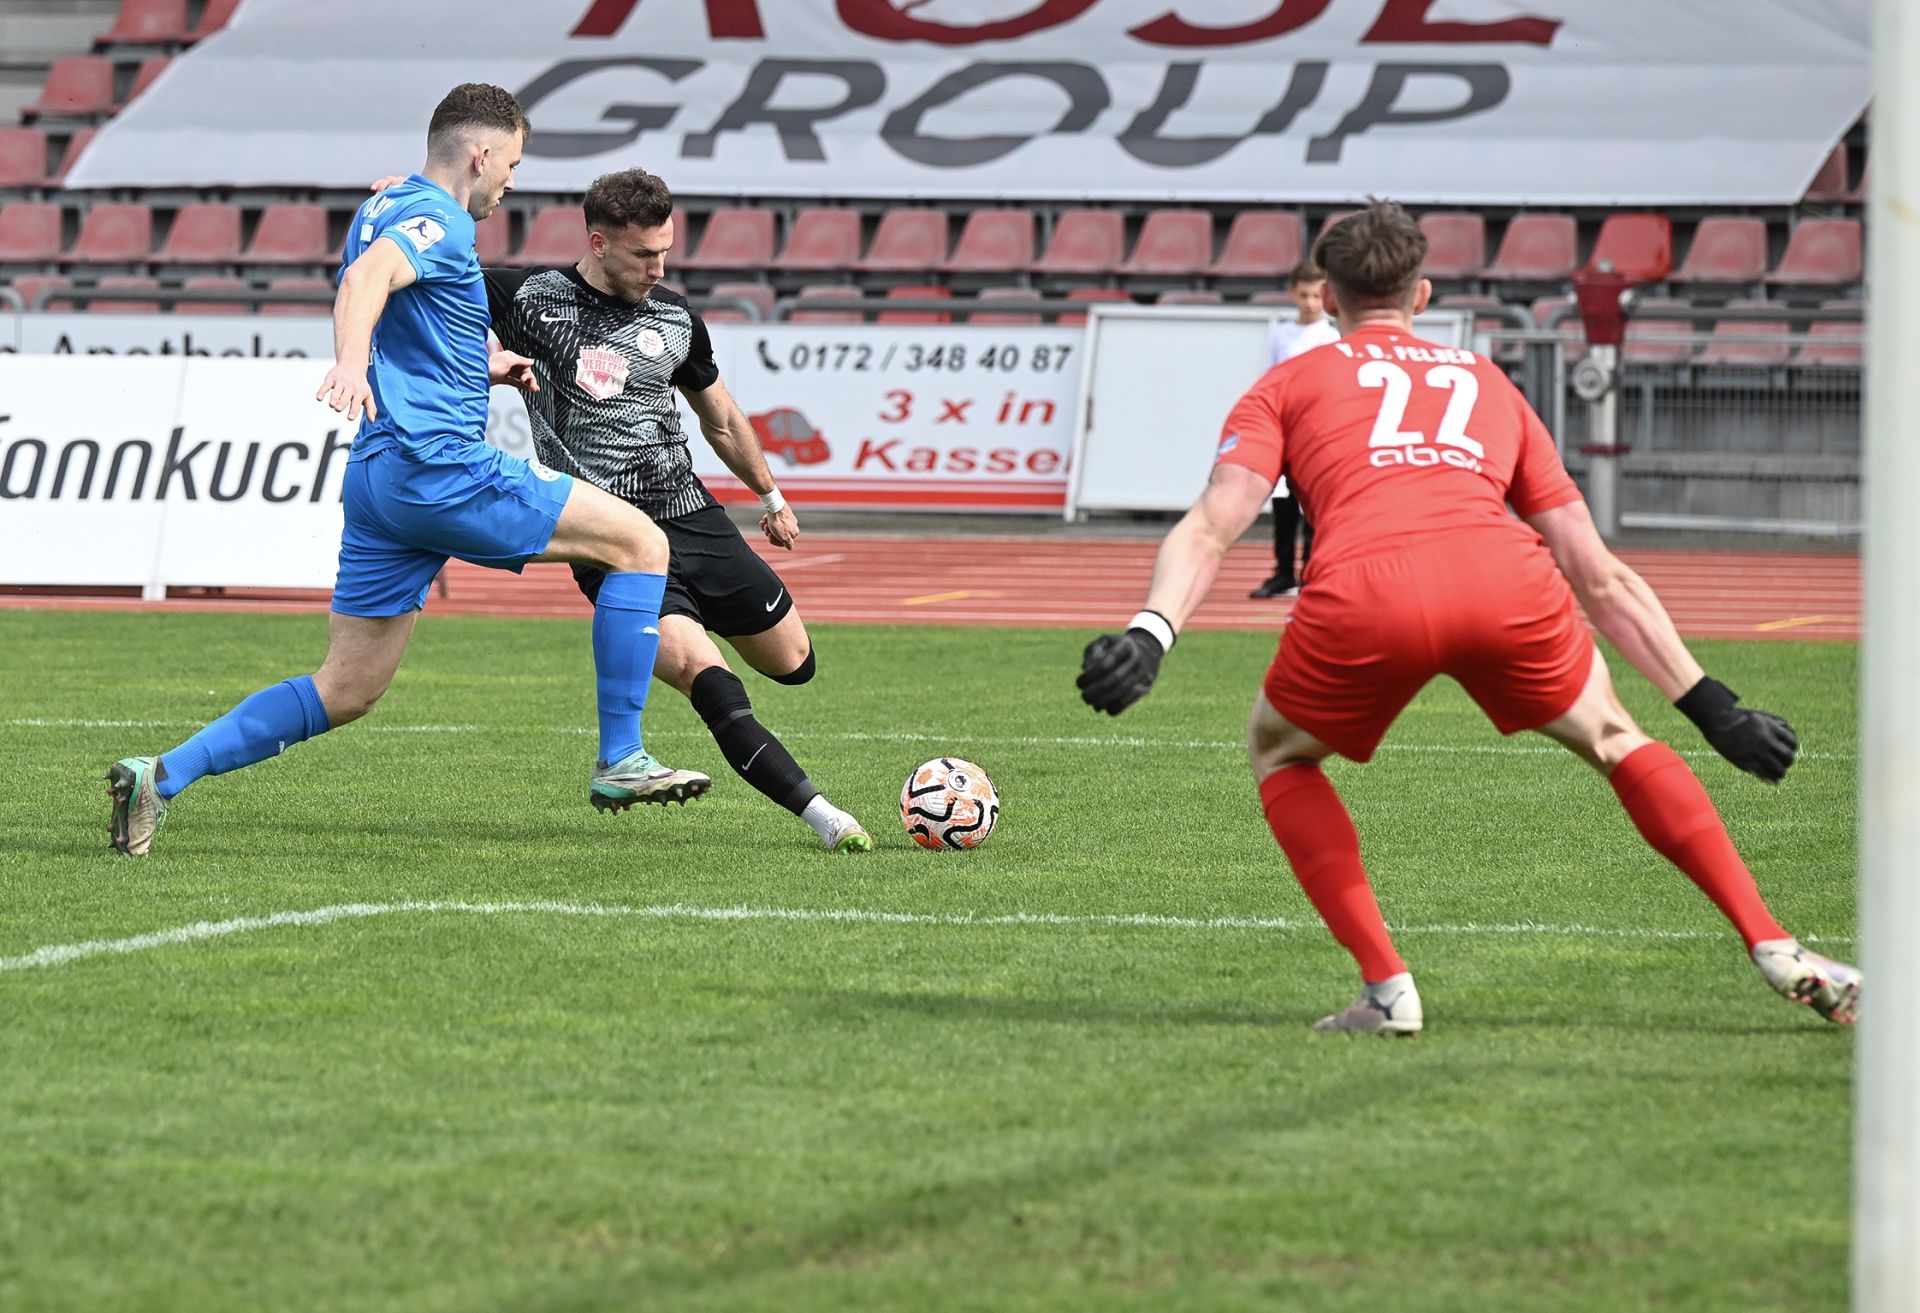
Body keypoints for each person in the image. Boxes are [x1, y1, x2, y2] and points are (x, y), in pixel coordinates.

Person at [1077, 199, 1860, 1034]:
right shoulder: (1490, 383)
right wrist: (1715, 707)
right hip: (1505, 581)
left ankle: (1388, 989)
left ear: (1328, 298)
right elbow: (1596, 572)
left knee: (1279, 750)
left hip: (1364, 590)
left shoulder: (1286, 383)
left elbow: (1214, 523)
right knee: (1614, 736)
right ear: (1422, 294)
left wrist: (1150, 634)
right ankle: (1774, 942)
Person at [104, 84, 706, 857]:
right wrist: (350, 365)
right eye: (512, 164)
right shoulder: (439, 219)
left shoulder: (382, 205)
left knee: (346, 687)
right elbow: (368, 282)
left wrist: (484, 367)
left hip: (381, 475)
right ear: (481, 155)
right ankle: (621, 757)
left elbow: (412, 313)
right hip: (439, 467)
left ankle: (158, 776)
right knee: (641, 544)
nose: (512, 182)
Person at [473, 167, 869, 853]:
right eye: (643, 255)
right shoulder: (526, 297)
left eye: (665, 251)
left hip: (692, 515)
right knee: (705, 677)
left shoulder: (676, 317)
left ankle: (686, 618)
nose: (659, 268)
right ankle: (826, 818)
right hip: (611, 539)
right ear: (598, 242)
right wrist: (408, 202)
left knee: (793, 662)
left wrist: (771, 497)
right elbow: (421, 277)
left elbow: (721, 418)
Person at [1249, 264, 1339, 599]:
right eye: (1304, 295)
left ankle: (1311, 571)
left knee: (1313, 502)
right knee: (1284, 501)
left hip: (1317, 428)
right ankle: (1283, 571)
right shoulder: (1281, 333)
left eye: (1316, 295)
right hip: (1287, 426)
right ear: (1293, 294)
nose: (1311, 302)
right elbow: (1271, 377)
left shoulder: (1330, 336)